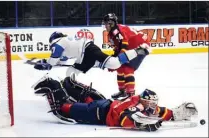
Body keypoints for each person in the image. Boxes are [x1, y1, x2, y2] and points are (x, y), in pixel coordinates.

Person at [33, 76, 198, 132]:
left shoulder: (142, 103)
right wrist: (140, 124)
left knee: (88, 95)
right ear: (144, 99)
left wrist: (175, 114)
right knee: (65, 109)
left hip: (105, 104)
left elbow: (161, 112)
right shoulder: (137, 106)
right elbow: (125, 119)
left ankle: (68, 84)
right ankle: (52, 84)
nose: (154, 105)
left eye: (155, 102)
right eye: (151, 102)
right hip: (98, 112)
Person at [34, 29, 149, 79]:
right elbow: (61, 60)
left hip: (87, 50)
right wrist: (47, 63)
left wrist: (47, 64)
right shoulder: (67, 42)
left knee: (114, 64)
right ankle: (73, 91)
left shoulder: (58, 42)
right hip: (85, 53)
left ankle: (138, 50)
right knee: (71, 72)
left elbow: (55, 57)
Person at [102, 13, 150, 100]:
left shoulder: (117, 31)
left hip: (141, 46)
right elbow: (118, 48)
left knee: (128, 67)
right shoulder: (113, 32)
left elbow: (124, 45)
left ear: (111, 23)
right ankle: (122, 91)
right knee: (119, 67)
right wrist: (113, 62)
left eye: (106, 24)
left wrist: (118, 59)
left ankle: (130, 93)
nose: (105, 26)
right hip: (133, 47)